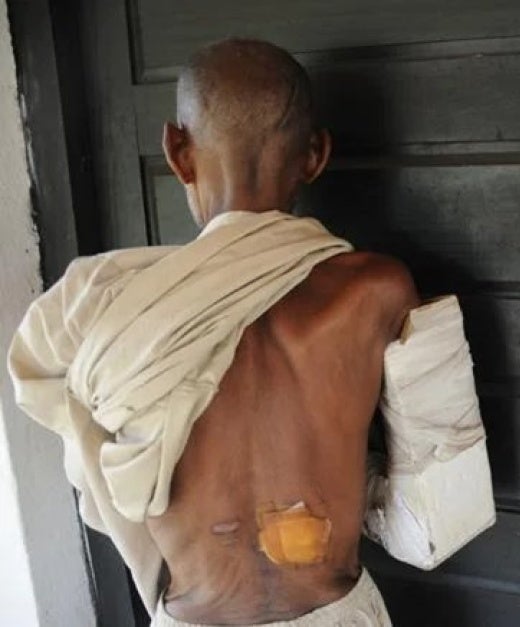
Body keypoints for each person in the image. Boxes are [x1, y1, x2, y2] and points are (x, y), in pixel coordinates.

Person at [8, 39, 494, 626]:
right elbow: (440, 519)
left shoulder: (97, 313)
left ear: (177, 152)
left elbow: (98, 478)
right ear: (315, 156)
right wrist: (332, 485)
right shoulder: (378, 291)